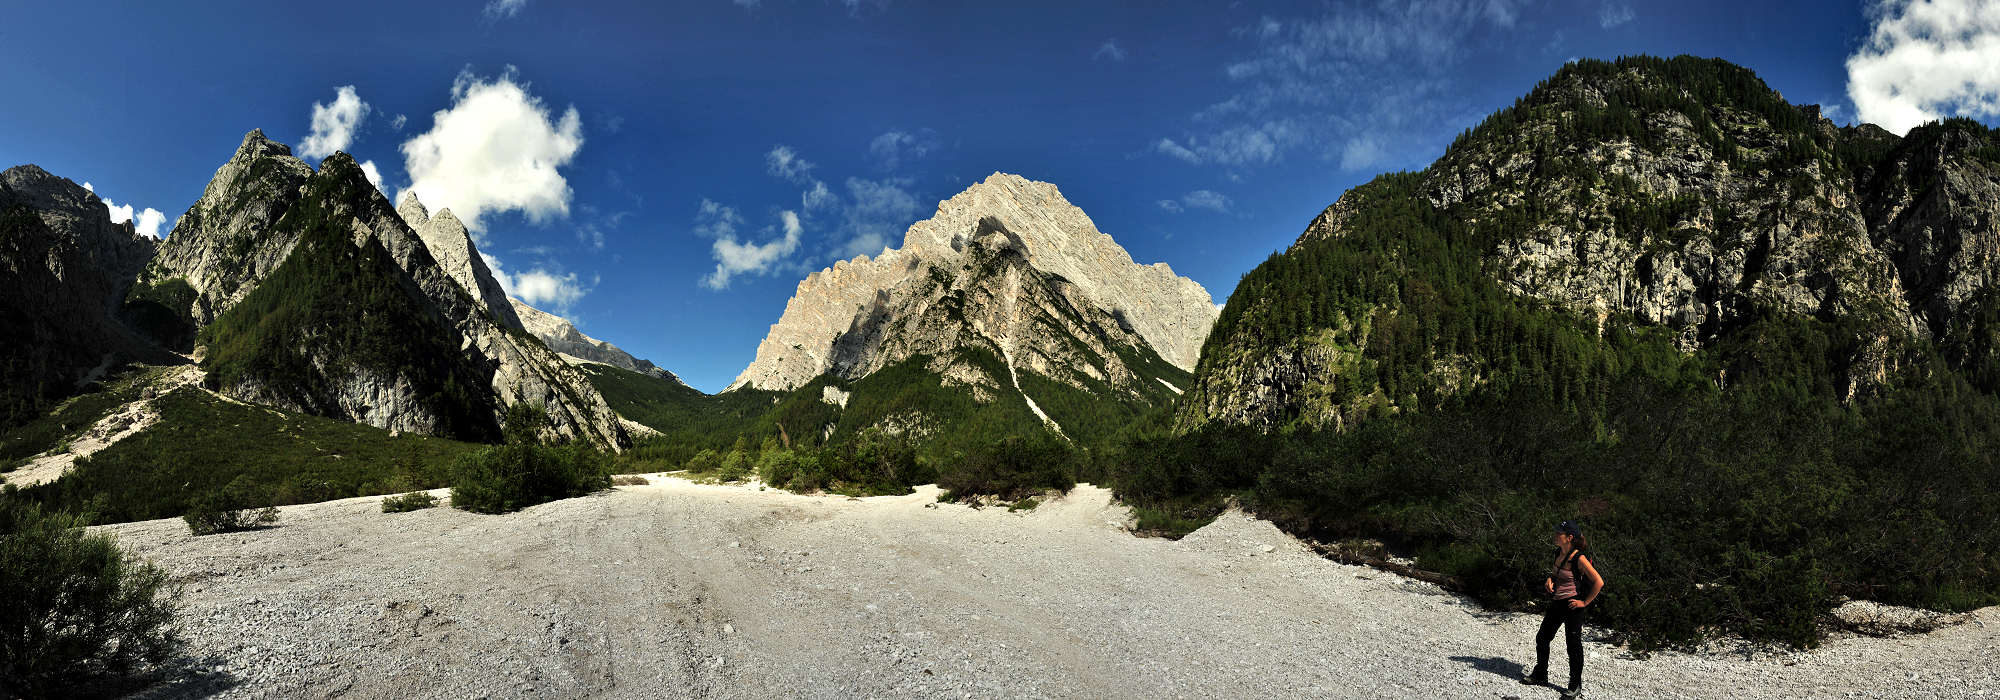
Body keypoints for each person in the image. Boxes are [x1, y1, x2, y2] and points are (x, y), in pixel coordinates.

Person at [1522, 519, 1602, 698]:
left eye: (1559, 533)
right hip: (1558, 602)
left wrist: (1584, 602)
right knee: (1543, 637)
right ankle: (1540, 674)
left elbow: (1599, 582)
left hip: (1573, 606)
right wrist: (1550, 580)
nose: (1556, 535)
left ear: (1569, 537)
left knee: (1573, 646)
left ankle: (1575, 685)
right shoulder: (1558, 552)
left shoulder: (1579, 558)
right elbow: (1555, 574)